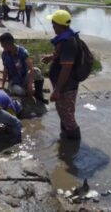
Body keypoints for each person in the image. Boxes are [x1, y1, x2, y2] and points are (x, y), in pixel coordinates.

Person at [42, 10, 81, 140]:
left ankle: (73, 148)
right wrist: (51, 57)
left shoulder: (69, 42)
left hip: (67, 86)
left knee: (68, 116)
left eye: (53, 25)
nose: (52, 27)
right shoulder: (65, 38)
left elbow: (67, 68)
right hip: (62, 85)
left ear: (60, 25)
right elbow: (61, 56)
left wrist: (57, 91)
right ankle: (65, 137)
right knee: (63, 112)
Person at [0, 32, 47, 103]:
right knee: (17, 90)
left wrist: (30, 84)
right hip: (14, 81)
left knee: (37, 71)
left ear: (9, 44)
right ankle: (32, 92)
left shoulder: (22, 52)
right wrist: (2, 85)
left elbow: (32, 69)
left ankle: (39, 94)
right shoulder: (4, 55)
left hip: (24, 77)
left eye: (3, 46)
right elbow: (5, 70)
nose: (2, 48)